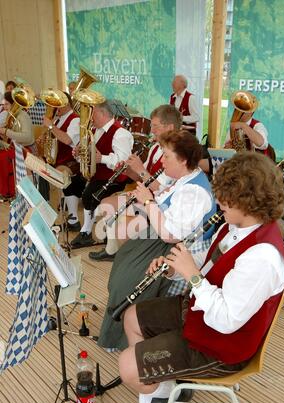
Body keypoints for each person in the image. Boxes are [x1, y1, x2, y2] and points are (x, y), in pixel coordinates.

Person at [118, 151, 284, 403]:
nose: (218, 202)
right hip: (200, 309)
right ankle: (162, 389)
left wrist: (193, 276)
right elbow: (209, 266)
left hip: (223, 345)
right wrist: (176, 268)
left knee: (127, 367)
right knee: (131, 317)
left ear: (246, 203)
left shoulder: (263, 258)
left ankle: (157, 391)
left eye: (224, 198)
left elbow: (226, 320)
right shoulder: (234, 226)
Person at [97, 130, 216, 352]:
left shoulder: (194, 192)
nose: (162, 160)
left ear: (182, 160)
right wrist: (142, 200)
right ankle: (121, 331)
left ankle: (127, 336)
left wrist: (148, 202)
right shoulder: (184, 179)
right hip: (163, 240)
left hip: (176, 248)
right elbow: (165, 206)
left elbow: (171, 234)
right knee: (122, 267)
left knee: (127, 279)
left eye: (167, 156)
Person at [89, 104, 182, 261]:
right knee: (107, 203)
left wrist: (140, 170)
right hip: (146, 196)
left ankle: (130, 258)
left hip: (161, 204)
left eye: (155, 126)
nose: (152, 131)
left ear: (170, 127)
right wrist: (128, 171)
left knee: (123, 224)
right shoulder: (155, 148)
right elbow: (141, 178)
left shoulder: (177, 152)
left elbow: (163, 190)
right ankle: (112, 251)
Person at [69, 100, 134, 244]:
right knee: (72, 184)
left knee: (89, 195)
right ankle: (80, 225)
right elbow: (87, 156)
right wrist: (78, 154)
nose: (91, 117)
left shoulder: (121, 133)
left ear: (103, 114)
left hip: (115, 178)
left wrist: (101, 158)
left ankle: (87, 232)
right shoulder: (94, 130)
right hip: (97, 175)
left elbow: (123, 161)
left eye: (94, 114)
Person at [224, 91, 273, 158]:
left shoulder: (257, 125)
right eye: (237, 109)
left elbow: (261, 143)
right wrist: (227, 148)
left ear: (250, 112)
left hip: (254, 165)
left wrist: (243, 126)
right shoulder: (234, 126)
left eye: (243, 111)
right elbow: (227, 148)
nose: (238, 112)